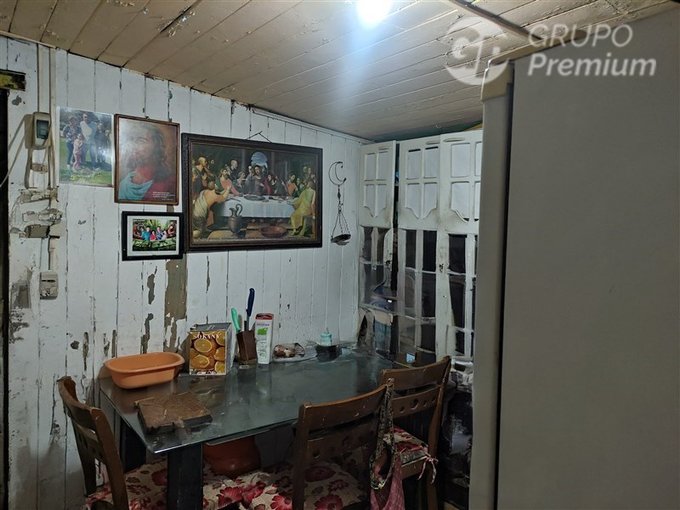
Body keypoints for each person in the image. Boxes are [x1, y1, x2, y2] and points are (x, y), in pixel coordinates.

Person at [118, 123, 175, 203]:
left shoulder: (168, 183)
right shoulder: (124, 184)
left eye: (141, 140)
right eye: (132, 140)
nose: (134, 146)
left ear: (156, 146)